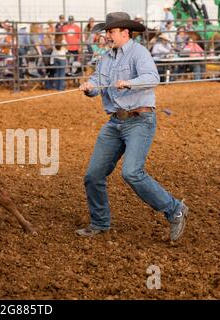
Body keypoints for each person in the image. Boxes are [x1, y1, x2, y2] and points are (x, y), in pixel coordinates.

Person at [77, 12, 189, 241]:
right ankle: (100, 222)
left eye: (111, 31)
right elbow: (99, 83)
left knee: (132, 173)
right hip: (115, 122)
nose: (107, 35)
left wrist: (129, 83)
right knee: (93, 175)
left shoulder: (139, 52)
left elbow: (152, 77)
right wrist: (90, 87)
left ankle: (174, 209)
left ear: (125, 32)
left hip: (140, 120)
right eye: (106, 31)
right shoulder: (105, 58)